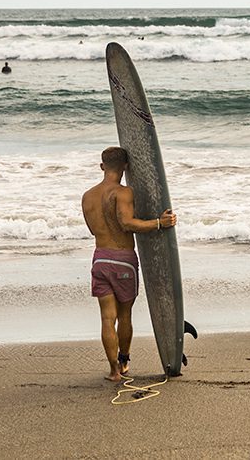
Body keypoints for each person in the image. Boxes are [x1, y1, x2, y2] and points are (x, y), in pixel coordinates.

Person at [80, 146, 176, 381]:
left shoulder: (87, 196)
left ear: (102, 166)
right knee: (124, 316)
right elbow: (126, 223)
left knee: (106, 318)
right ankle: (124, 362)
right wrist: (159, 223)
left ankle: (113, 371)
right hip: (123, 261)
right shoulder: (124, 193)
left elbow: (93, 229)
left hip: (99, 259)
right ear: (125, 167)